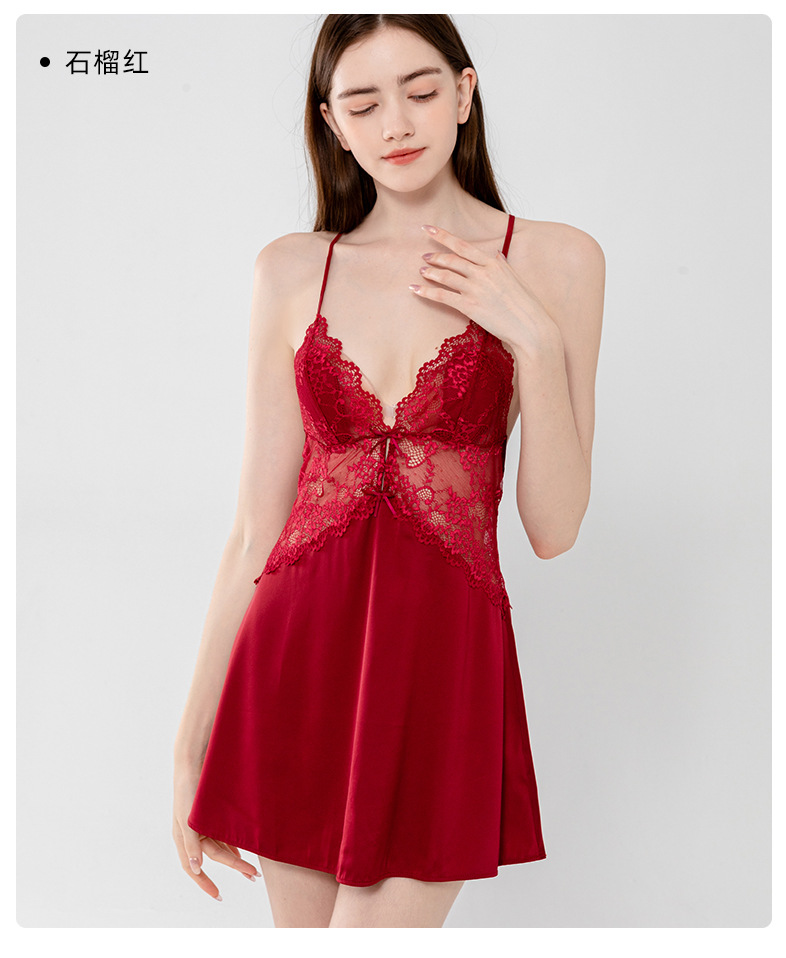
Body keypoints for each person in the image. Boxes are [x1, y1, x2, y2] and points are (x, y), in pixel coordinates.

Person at [172, 13, 604, 928]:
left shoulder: (557, 260)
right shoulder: (294, 269)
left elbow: (555, 528)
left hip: (441, 670)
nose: (396, 124)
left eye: (420, 90)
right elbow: (255, 530)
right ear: (332, 123)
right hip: (293, 667)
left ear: (465, 92)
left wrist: (529, 335)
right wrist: (190, 745)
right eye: (363, 104)